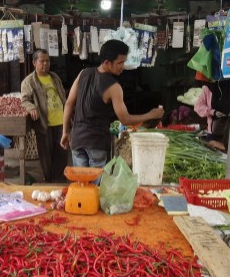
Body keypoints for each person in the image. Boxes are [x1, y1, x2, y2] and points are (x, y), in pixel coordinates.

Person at [61, 39, 164, 168]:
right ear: (107, 63)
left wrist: (65, 132)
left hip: (77, 140)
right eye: (120, 62)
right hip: (96, 143)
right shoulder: (114, 87)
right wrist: (151, 114)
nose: (123, 66)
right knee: (96, 187)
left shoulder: (83, 74)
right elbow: (125, 119)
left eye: (124, 62)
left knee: (81, 184)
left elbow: (69, 104)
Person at [21, 49, 68, 182]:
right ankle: (49, 181)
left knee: (62, 154)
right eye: (42, 61)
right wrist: (31, 107)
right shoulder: (29, 81)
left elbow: (62, 95)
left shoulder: (54, 77)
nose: (45, 64)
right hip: (44, 124)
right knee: (46, 156)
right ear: (34, 62)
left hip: (60, 122)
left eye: (47, 61)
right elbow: (24, 100)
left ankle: (59, 180)